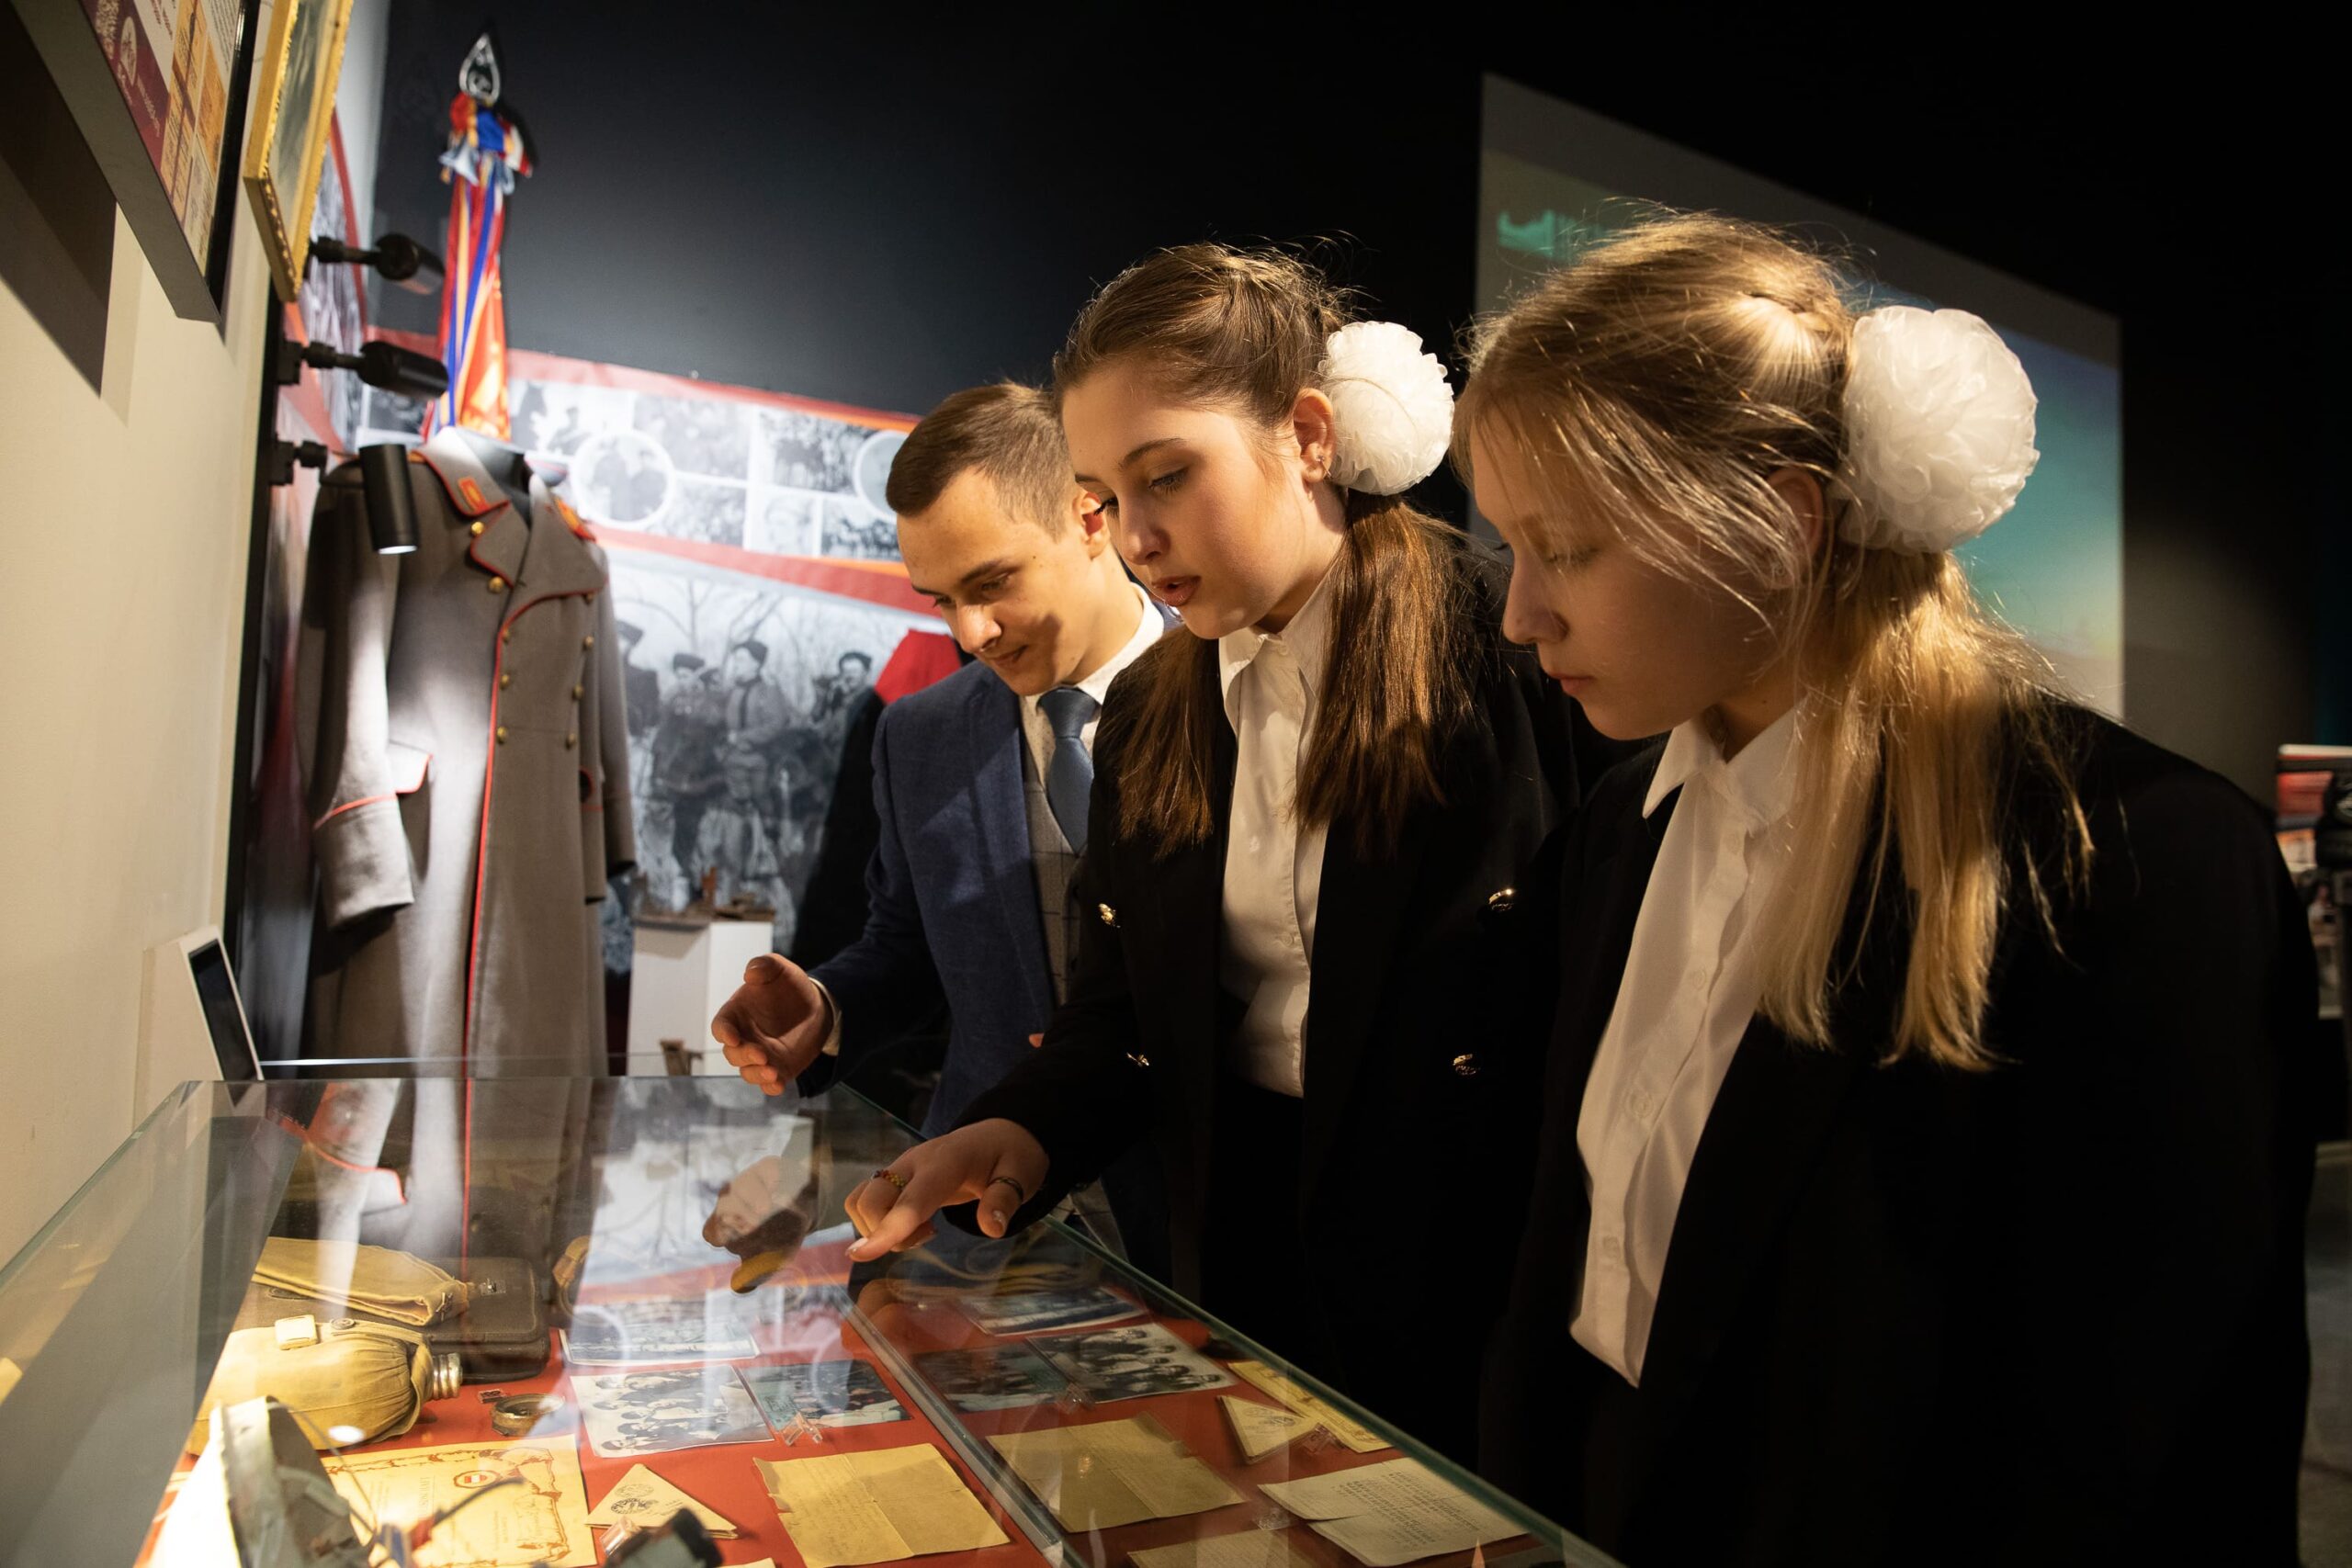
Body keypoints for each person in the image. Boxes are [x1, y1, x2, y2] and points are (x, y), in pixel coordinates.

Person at [1455, 214, 2314, 1562]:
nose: (1519, 615)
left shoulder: (2131, 859)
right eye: (1511, 548)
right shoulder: (1622, 826)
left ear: (1781, 522)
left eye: (1565, 547)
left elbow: (2146, 1439)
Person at [831, 246, 1611, 1461]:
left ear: (1309, 436)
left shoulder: (1507, 651)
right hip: (1234, 1293)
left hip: (1466, 1316)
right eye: (1107, 496)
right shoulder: (1157, 705)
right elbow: (1124, 1012)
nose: (1139, 537)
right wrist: (1020, 1131)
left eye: (1169, 475)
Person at [711, 383, 1179, 1267]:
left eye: (993, 583)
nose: (972, 632)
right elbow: (909, 943)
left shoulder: (1238, 695)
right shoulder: (918, 736)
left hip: (1199, 1228)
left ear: (1090, 516)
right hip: (975, 1231)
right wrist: (828, 1007)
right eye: (940, 601)